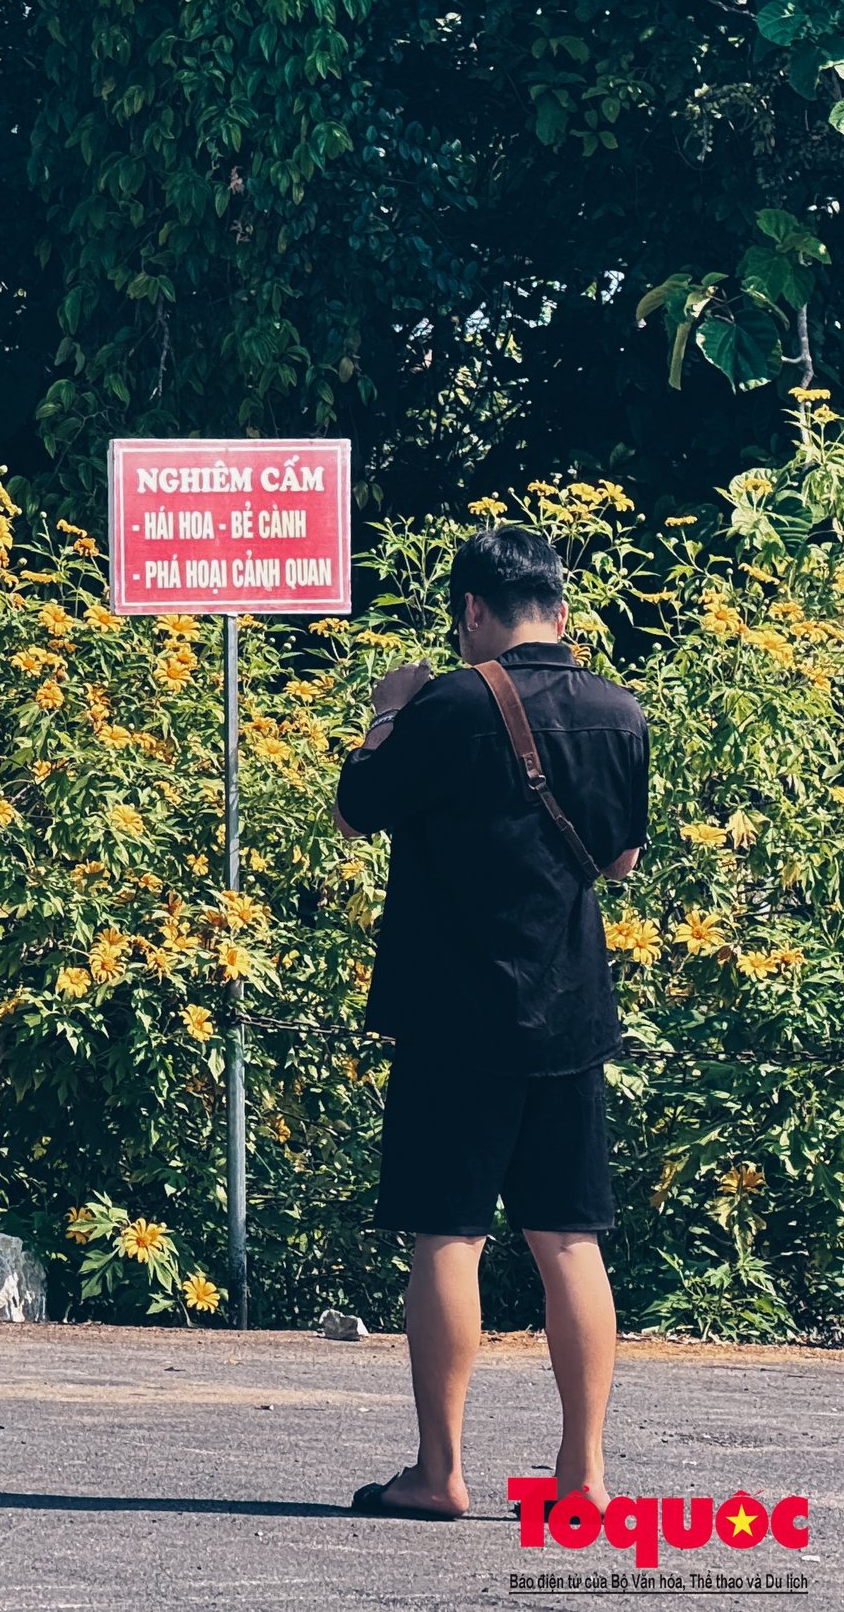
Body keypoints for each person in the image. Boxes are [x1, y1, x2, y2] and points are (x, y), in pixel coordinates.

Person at [332, 524, 649, 1521]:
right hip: (569, 1013)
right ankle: (585, 1478)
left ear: (471, 611)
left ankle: (438, 1471)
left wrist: (387, 713)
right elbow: (621, 862)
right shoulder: (616, 710)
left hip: (455, 1010)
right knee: (569, 1239)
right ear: (558, 610)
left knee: (449, 1236)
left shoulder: (449, 704)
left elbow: (354, 809)